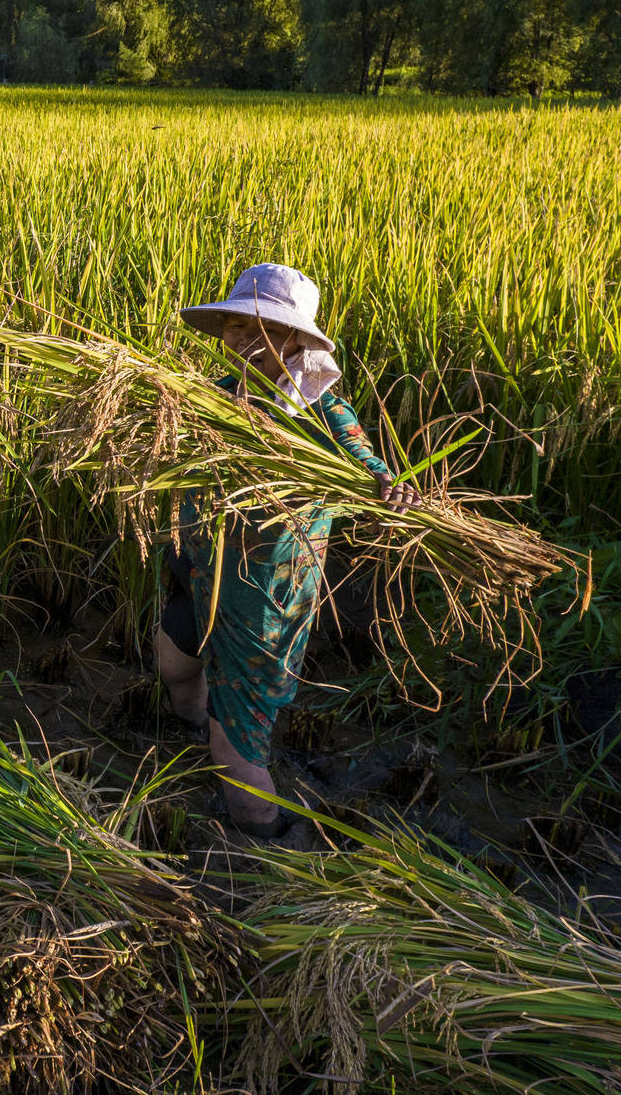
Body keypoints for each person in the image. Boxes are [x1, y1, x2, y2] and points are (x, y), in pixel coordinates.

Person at [156, 264, 420, 839]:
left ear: (296, 339)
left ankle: (264, 854)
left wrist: (384, 479)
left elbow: (365, 460)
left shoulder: (320, 409)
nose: (243, 340)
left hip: (262, 593)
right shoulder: (222, 392)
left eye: (262, 329)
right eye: (234, 326)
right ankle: (191, 732)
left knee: (236, 754)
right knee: (174, 664)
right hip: (203, 569)